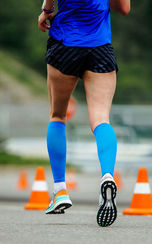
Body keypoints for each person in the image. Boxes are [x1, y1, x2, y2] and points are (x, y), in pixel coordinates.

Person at [39, 0, 130, 227]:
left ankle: (60, 191)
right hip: (99, 46)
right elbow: (124, 8)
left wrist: (46, 11)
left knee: (58, 115)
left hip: (65, 43)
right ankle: (107, 176)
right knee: (101, 119)